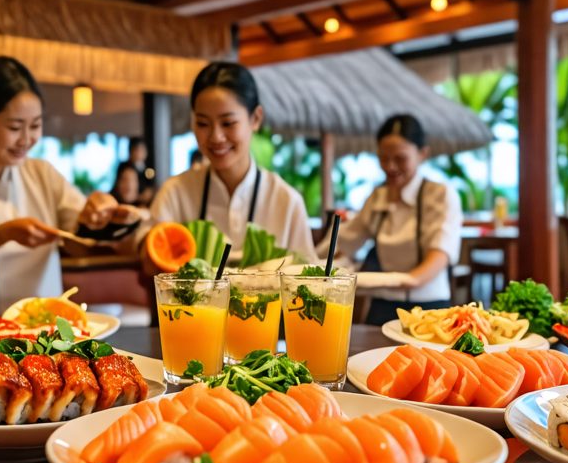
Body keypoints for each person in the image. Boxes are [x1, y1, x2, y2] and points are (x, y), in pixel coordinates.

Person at [0, 56, 141, 311]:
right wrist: (1, 235)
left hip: (44, 331)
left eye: (35, 125)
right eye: (15, 127)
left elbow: (80, 243)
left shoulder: (42, 173)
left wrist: (102, 217)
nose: (27, 139)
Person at [109, 62, 315, 262]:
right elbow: (148, 252)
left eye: (228, 123)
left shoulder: (286, 202)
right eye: (203, 123)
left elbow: (307, 279)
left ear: (255, 119)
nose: (216, 137)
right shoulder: (176, 192)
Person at [327, 114, 463, 326]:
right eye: (383, 158)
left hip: (430, 308)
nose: (390, 166)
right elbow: (345, 241)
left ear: (422, 154)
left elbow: (438, 257)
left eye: (400, 158)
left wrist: (407, 280)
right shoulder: (378, 196)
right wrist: (309, 260)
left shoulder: (440, 195)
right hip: (383, 304)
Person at [125, 137, 155, 205]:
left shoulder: (148, 168)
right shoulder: (125, 168)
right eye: (137, 150)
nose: (139, 153)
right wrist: (139, 197)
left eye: (142, 150)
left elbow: (151, 184)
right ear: (130, 151)